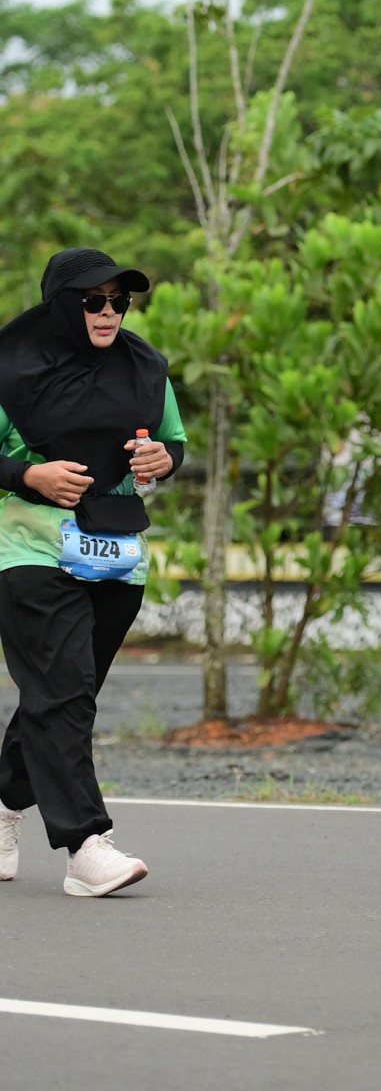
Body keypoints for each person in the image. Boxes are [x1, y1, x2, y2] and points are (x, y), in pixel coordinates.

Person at [0, 248, 186, 897]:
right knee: (63, 692)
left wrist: (163, 461)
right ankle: (85, 846)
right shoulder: (10, 367)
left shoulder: (144, 366)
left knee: (64, 695)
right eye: (92, 301)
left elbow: (171, 441)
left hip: (116, 553)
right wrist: (29, 474)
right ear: (60, 305)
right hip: (28, 549)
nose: (108, 313)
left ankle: (3, 803)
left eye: (118, 301)